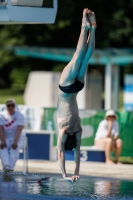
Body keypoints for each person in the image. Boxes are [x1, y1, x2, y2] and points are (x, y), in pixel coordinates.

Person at [57, 8, 96, 182]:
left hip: (77, 87)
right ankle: (84, 25)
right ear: (66, 141)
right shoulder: (63, 130)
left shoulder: (77, 130)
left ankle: (92, 29)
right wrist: (64, 175)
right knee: (78, 56)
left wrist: (76, 172)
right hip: (65, 90)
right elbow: (60, 154)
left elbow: (77, 153)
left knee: (86, 57)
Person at [0, 99, 25, 173]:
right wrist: (3, 141)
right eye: (9, 105)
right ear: (6, 106)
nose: (10, 107)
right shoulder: (1, 115)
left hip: (18, 136)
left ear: (15, 106)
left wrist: (15, 141)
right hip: (5, 136)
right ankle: (6, 166)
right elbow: (0, 130)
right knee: (2, 146)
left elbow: (19, 130)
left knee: (14, 147)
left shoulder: (20, 115)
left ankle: (10, 167)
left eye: (12, 105)